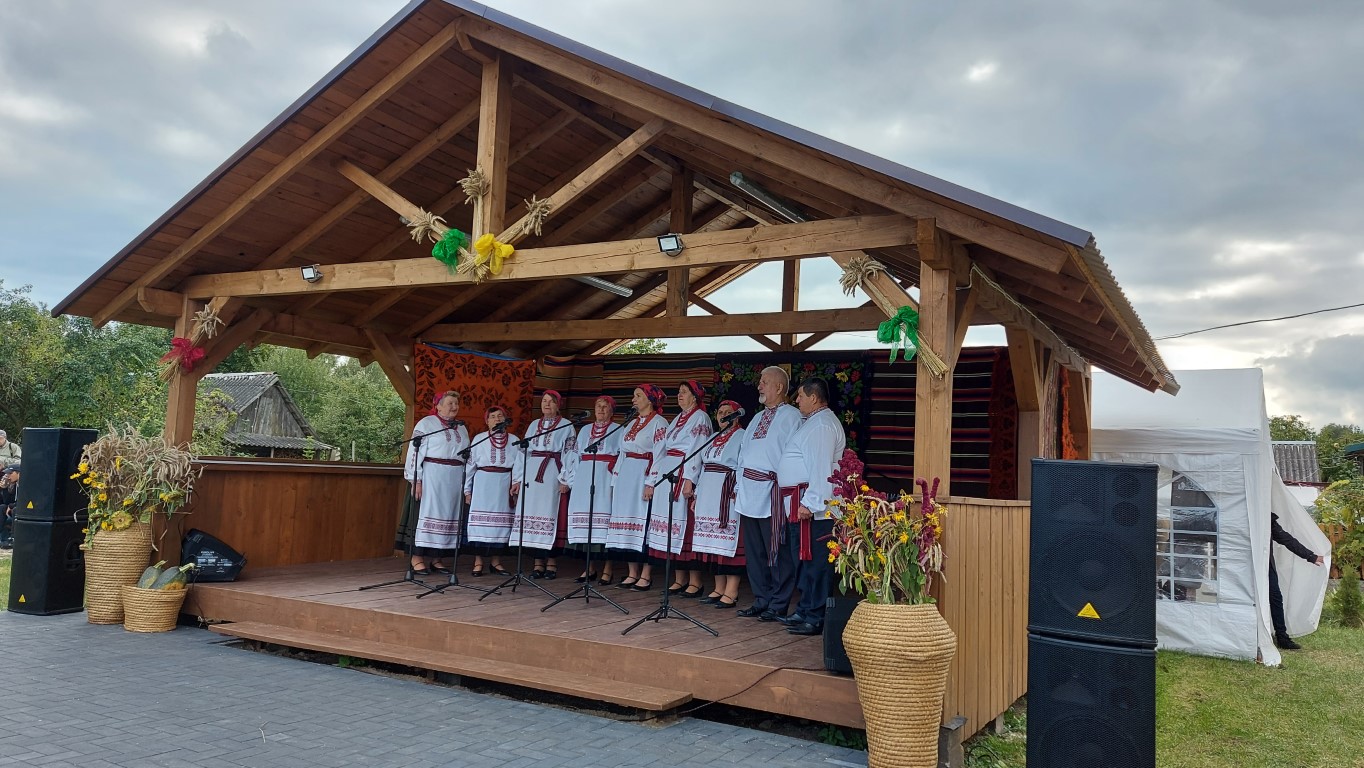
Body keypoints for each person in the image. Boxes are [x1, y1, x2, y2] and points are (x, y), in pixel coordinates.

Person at [772, 377, 846, 635]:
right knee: (803, 559)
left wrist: (810, 502)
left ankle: (815, 616)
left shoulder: (822, 425)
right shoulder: (813, 422)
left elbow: (821, 467)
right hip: (800, 502)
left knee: (816, 562)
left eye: (801, 396)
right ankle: (805, 609)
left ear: (814, 398)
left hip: (815, 508)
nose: (797, 401)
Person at [734, 366, 802, 620]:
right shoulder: (756, 418)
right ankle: (761, 599)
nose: (759, 386)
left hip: (773, 492)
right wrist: (739, 486)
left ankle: (779, 603)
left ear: (779, 387)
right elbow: (743, 454)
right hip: (749, 493)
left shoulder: (792, 417)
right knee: (755, 552)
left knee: (778, 551)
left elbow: (793, 456)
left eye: (764, 382)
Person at [645, 380, 713, 597]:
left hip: (684, 473)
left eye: (684, 392)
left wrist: (690, 478)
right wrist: (654, 478)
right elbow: (664, 449)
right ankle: (679, 578)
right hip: (670, 472)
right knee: (670, 526)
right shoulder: (677, 419)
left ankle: (695, 581)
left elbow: (697, 449)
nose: (680, 395)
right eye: (679, 392)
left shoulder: (700, 417)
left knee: (686, 527)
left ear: (695, 396)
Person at [605, 384, 669, 590]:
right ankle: (632, 572)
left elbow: (660, 455)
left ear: (650, 400)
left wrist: (651, 482)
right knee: (626, 524)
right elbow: (622, 454)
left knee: (644, 523)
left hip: (643, 476)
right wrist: (615, 481)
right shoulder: (631, 423)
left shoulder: (659, 423)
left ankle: (646, 575)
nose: (633, 400)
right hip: (626, 476)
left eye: (638, 396)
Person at [402, 391, 470, 576]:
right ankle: (417, 558)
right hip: (432, 476)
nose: (454, 407)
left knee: (448, 516)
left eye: (456, 403)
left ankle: (437, 559)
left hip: (454, 478)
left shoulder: (461, 428)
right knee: (426, 514)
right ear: (438, 406)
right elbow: (414, 452)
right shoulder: (427, 423)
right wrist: (416, 480)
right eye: (450, 403)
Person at [512, 390, 574, 579]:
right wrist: (518, 478)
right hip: (532, 474)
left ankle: (552, 563)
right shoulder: (533, 425)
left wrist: (565, 479)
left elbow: (570, 453)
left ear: (558, 405)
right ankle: (537, 563)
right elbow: (523, 452)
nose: (547, 404)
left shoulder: (566, 425)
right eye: (544, 401)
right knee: (531, 512)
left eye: (551, 401)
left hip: (553, 473)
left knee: (550, 513)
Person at [691, 400, 746, 608]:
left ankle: (731, 591)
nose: (723, 415)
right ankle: (718, 588)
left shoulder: (742, 436)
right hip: (708, 493)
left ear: (736, 416)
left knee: (726, 541)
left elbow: (743, 465)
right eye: (720, 412)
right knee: (711, 543)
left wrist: (737, 490)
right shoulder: (712, 437)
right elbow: (703, 467)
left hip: (727, 492)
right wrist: (697, 495)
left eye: (728, 412)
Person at [562, 395, 621, 585]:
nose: (601, 409)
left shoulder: (619, 429)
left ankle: (608, 569)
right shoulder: (585, 430)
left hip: (605, 476)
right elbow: (575, 455)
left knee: (605, 520)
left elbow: (622, 456)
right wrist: (570, 479)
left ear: (612, 410)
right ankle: (589, 568)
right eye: (598, 406)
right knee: (587, 521)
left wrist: (616, 479)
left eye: (605, 406)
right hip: (585, 475)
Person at [463, 406, 520, 576]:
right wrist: (467, 490)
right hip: (483, 484)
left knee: (500, 526)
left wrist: (516, 483)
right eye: (493, 417)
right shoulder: (479, 439)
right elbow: (470, 466)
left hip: (504, 484)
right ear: (487, 421)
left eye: (500, 416)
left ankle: (496, 562)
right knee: (480, 526)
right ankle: (478, 562)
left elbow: (520, 465)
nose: (497, 419)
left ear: (505, 420)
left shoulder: (514, 440)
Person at [1269, 512, 1326, 650]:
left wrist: (1311, 556)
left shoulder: (1266, 517)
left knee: (1275, 597)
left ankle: (1282, 637)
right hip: (1239, 565)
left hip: (1265, 566)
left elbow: (1286, 538)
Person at [0, 464, 18, 549]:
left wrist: (11, 506)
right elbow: (6, 502)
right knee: (2, 507)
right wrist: (4, 488)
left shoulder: (26, 485)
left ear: (18, 473)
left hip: (25, 509)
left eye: (10, 473)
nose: (8, 476)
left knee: (15, 509)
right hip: (13, 508)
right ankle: (3, 539)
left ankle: (13, 539)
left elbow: (23, 501)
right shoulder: (13, 485)